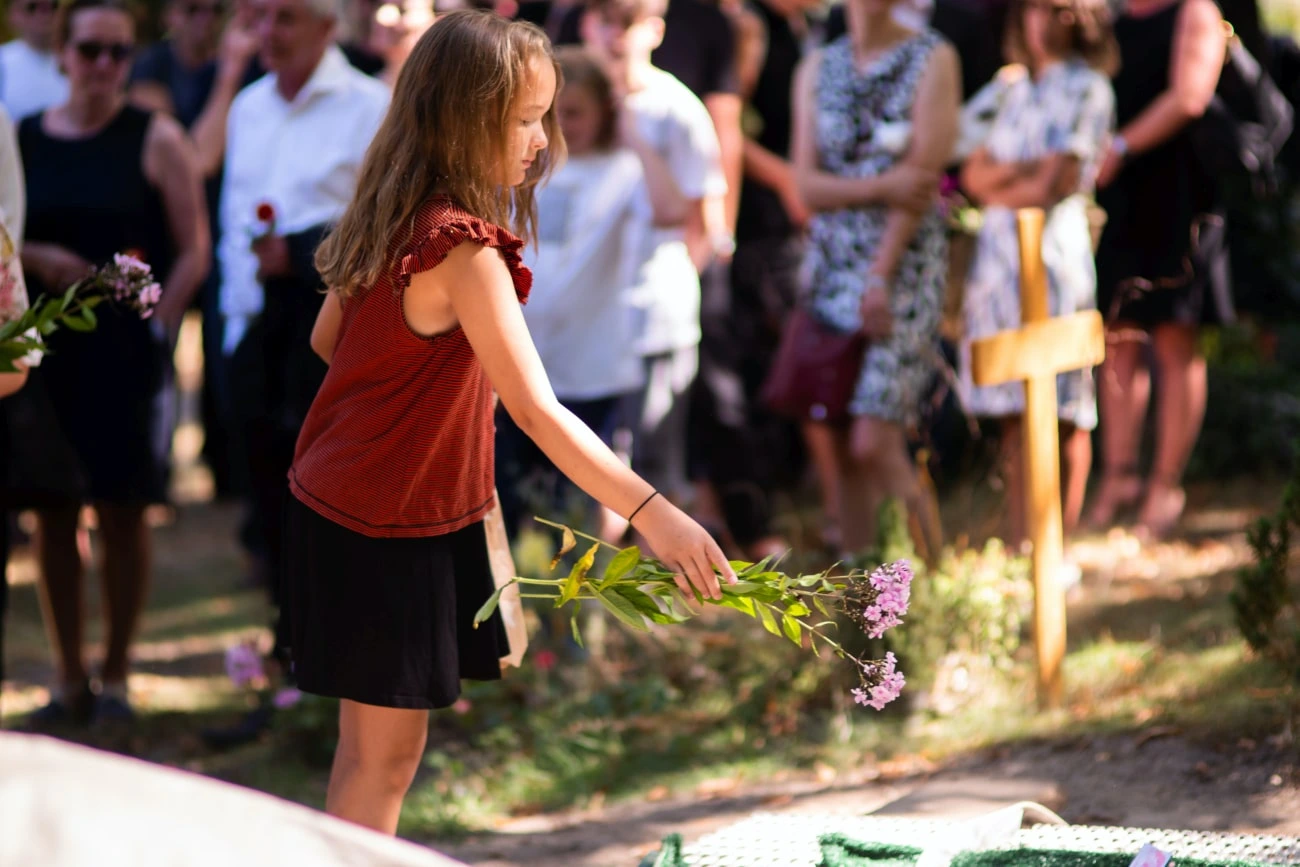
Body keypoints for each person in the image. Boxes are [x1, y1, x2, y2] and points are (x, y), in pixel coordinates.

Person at [287, 9, 735, 834]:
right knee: (384, 761)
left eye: (545, 117)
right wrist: (656, 514)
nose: (541, 140)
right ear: (466, 119)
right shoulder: (463, 249)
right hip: (386, 518)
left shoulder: (394, 212)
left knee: (368, 753)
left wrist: (436, 386)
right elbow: (537, 409)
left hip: (346, 498)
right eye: (525, 119)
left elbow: (328, 341)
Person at [16, 0, 208, 725]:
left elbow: (194, 248)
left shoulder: (156, 137)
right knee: (52, 514)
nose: (104, 65)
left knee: (124, 512)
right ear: (64, 53)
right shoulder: (24, 138)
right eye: (91, 49)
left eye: (119, 52)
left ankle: (118, 675)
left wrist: (162, 321)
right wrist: (39, 258)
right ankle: (69, 678)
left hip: (127, 356)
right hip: (47, 352)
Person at [219, 0, 389, 696]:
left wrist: (299, 251)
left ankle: (331, 666)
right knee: (267, 498)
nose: (270, 33)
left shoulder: (368, 105)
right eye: (261, 17)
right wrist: (234, 320)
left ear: (328, 26)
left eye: (286, 17)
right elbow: (234, 217)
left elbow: (385, 218)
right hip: (255, 329)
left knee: (322, 496)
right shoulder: (249, 105)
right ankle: (289, 654)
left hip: (326, 330)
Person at [792, 0, 960, 557]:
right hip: (829, 269)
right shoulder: (817, 67)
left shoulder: (932, 57)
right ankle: (865, 589)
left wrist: (879, 279)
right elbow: (805, 185)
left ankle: (934, 577)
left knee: (875, 439)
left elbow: (922, 181)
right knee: (838, 439)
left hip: (901, 268)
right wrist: (880, 186)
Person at [958, 0, 1117, 544]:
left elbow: (1056, 181)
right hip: (998, 260)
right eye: (1032, 10)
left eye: (1053, 9)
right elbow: (972, 175)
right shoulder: (1010, 87)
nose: (1040, 21)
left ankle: (1058, 542)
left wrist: (1006, 178)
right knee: (1012, 407)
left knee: (1064, 406)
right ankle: (1021, 540)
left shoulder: (1090, 87)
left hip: (1054, 256)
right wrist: (1019, 172)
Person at [496, 47, 667, 540]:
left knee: (573, 511)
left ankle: (576, 588)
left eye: (575, 113)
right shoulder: (523, 168)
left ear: (605, 111)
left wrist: (632, 129)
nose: (563, 126)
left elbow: (672, 209)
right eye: (552, 113)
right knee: (509, 497)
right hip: (523, 361)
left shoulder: (624, 168)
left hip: (591, 368)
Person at [580, 0, 727, 513]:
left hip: (654, 322)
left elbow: (702, 219)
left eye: (628, 24)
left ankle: (665, 566)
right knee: (592, 472)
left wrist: (673, 289)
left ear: (655, 31)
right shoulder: (567, 106)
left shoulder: (677, 108)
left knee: (654, 473)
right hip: (585, 327)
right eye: (605, 21)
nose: (615, 37)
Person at [1087, 0, 1226, 540]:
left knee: (1174, 338)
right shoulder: (1111, 18)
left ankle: (1165, 486)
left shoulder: (1195, 10)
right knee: (1118, 336)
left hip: (1181, 197)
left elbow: (1190, 96)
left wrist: (1121, 145)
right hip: (1123, 200)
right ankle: (1119, 477)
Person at [130, 0, 261, 500]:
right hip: (163, 235)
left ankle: (226, 474)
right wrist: (229, 75)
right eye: (192, 9)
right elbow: (196, 157)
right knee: (156, 350)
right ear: (170, 15)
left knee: (221, 351)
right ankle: (152, 472)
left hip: (226, 233)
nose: (204, 21)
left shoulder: (247, 64)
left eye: (213, 10)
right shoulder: (150, 66)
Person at [0, 0, 69, 120]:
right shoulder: (2, 61)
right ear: (12, 14)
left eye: (53, 6)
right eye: (32, 7)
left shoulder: (86, 57)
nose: (45, 14)